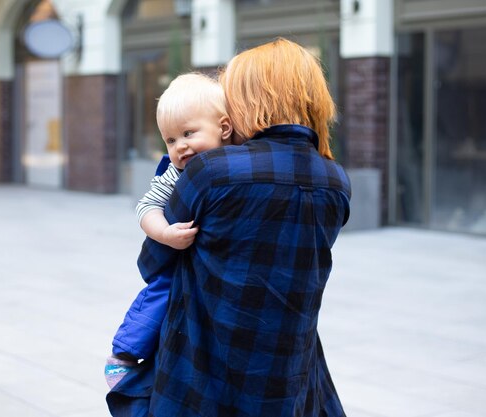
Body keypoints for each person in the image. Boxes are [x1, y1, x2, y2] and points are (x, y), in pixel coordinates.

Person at [107, 38, 351, 417]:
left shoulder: (213, 171)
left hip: (205, 367)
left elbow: (153, 262)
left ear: (252, 97)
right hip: (290, 368)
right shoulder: (335, 180)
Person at [105, 72, 233, 389]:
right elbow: (145, 207)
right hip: (174, 260)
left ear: (225, 128)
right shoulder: (175, 174)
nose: (181, 147)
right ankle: (123, 354)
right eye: (171, 140)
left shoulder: (238, 162)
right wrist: (165, 234)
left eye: (189, 133)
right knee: (156, 299)